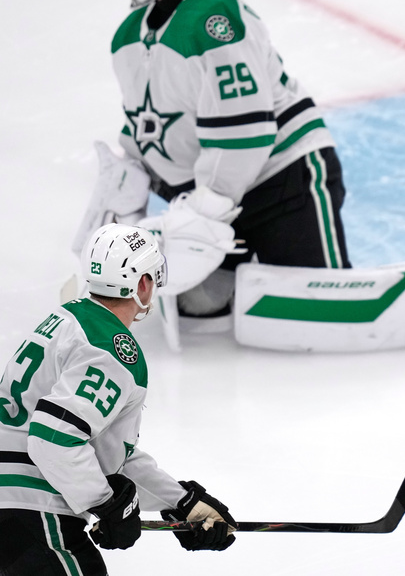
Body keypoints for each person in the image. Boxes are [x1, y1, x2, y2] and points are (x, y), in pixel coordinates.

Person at [98, 0, 351, 317]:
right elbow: (145, 129)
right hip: (211, 196)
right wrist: (131, 179)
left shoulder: (214, 20)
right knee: (197, 306)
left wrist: (204, 210)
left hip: (280, 179)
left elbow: (245, 134)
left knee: (316, 309)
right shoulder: (126, 37)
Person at [0, 223, 236, 574]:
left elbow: (103, 453)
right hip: (32, 512)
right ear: (142, 283)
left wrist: (181, 501)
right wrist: (106, 504)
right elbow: (53, 439)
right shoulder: (109, 347)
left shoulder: (65, 321)